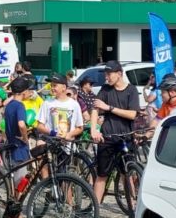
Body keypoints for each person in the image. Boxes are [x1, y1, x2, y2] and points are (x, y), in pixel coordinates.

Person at [89, 61, 140, 205]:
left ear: (119, 74)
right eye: (105, 74)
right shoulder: (105, 90)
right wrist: (94, 129)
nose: (106, 77)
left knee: (127, 174)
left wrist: (109, 108)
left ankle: (133, 208)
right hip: (107, 137)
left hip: (125, 138)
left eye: (109, 74)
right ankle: (94, 209)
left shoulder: (131, 90)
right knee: (102, 175)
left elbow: (132, 114)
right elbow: (95, 109)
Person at [2, 77, 33, 218]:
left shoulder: (8, 106)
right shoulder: (20, 105)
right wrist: (26, 138)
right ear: (23, 91)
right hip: (19, 149)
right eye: (29, 90)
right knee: (20, 186)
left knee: (15, 186)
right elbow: (21, 124)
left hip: (9, 147)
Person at [37, 75, 83, 141]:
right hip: (51, 145)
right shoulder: (47, 103)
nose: (52, 88)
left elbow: (80, 127)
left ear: (64, 87)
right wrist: (52, 133)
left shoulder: (74, 105)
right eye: (51, 85)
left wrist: (70, 134)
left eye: (55, 85)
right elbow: (39, 126)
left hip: (67, 146)